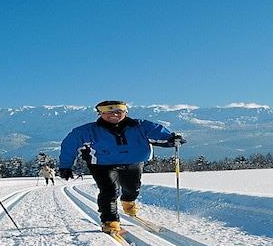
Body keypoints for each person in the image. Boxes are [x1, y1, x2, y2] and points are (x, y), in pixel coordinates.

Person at [58, 100, 185, 234]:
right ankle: (110, 221)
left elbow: (159, 134)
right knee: (109, 191)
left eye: (118, 111)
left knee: (132, 188)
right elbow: (69, 146)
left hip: (133, 162)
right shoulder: (87, 131)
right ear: (100, 113)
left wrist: (172, 139)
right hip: (102, 164)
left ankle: (128, 202)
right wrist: (65, 166)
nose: (114, 114)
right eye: (108, 112)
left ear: (125, 112)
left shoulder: (140, 126)